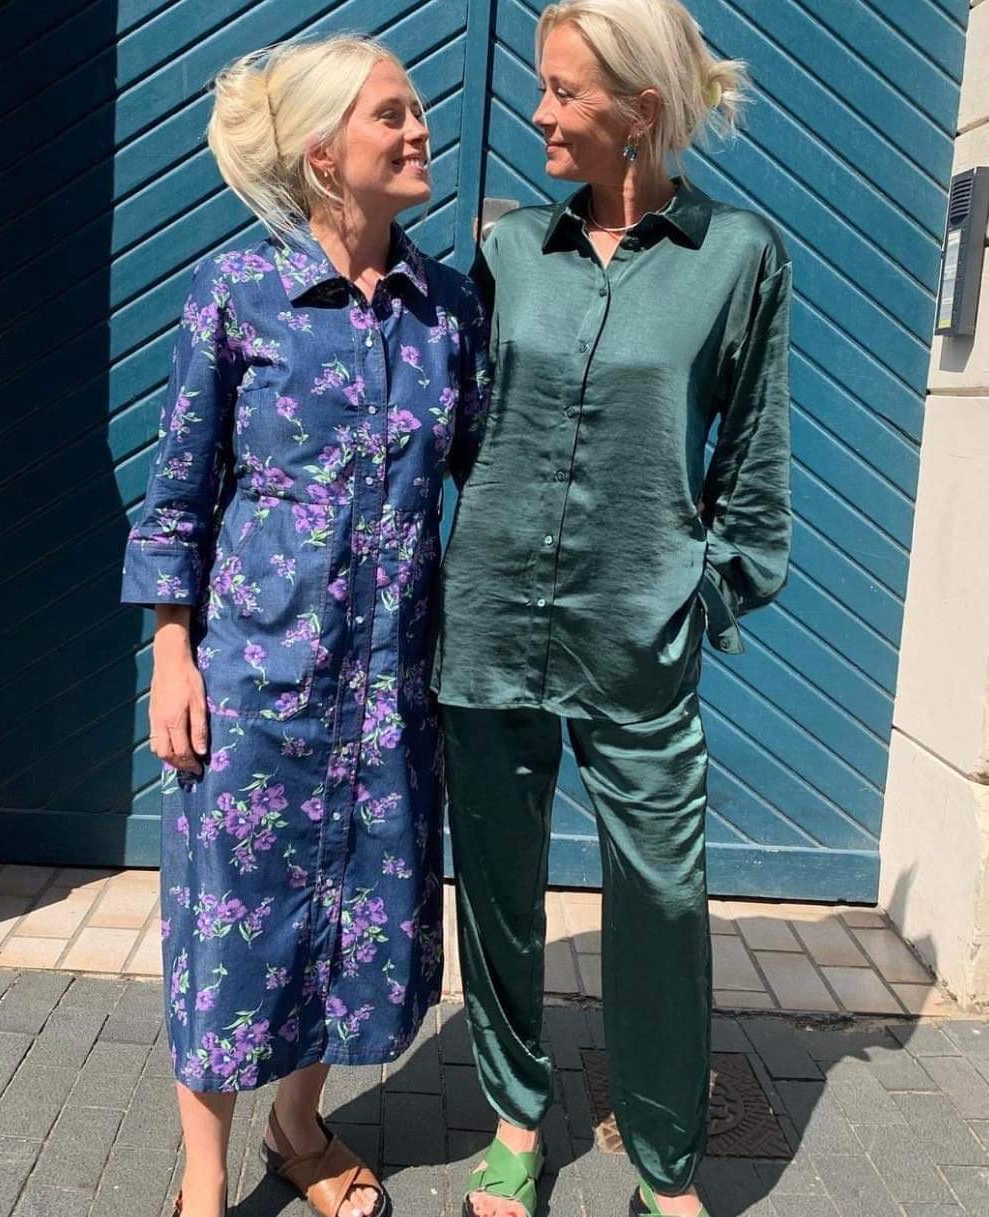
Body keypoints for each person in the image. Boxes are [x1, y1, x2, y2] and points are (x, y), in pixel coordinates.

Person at [433, 2, 793, 1215]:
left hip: (638, 632)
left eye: (563, 91)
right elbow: (452, 426)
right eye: (542, 86)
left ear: (640, 111)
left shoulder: (737, 255)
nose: (537, 112)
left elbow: (753, 461)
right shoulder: (509, 253)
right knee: (497, 882)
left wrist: (700, 595)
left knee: (663, 896)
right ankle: (514, 1114)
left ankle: (663, 1161)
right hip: (491, 621)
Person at [120, 34, 488, 1217]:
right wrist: (171, 653)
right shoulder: (237, 293)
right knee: (230, 935)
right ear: (325, 153)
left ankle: (298, 1126)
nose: (419, 128)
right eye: (393, 113)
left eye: (415, 109)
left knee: (349, 928)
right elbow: (178, 495)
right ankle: (200, 1180)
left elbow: (487, 483)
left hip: (388, 695)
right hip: (254, 684)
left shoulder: (449, 312)